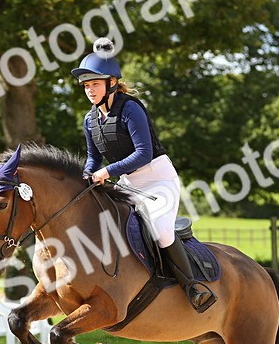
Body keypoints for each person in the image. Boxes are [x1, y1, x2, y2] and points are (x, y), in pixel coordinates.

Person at [71, 38, 216, 312]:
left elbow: (143, 154)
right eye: (86, 86)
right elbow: (93, 157)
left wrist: (106, 171)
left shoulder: (130, 109)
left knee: (160, 231)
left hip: (157, 179)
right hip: (127, 182)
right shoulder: (90, 120)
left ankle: (193, 287)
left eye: (95, 84)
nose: (90, 90)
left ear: (111, 82)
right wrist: (88, 174)